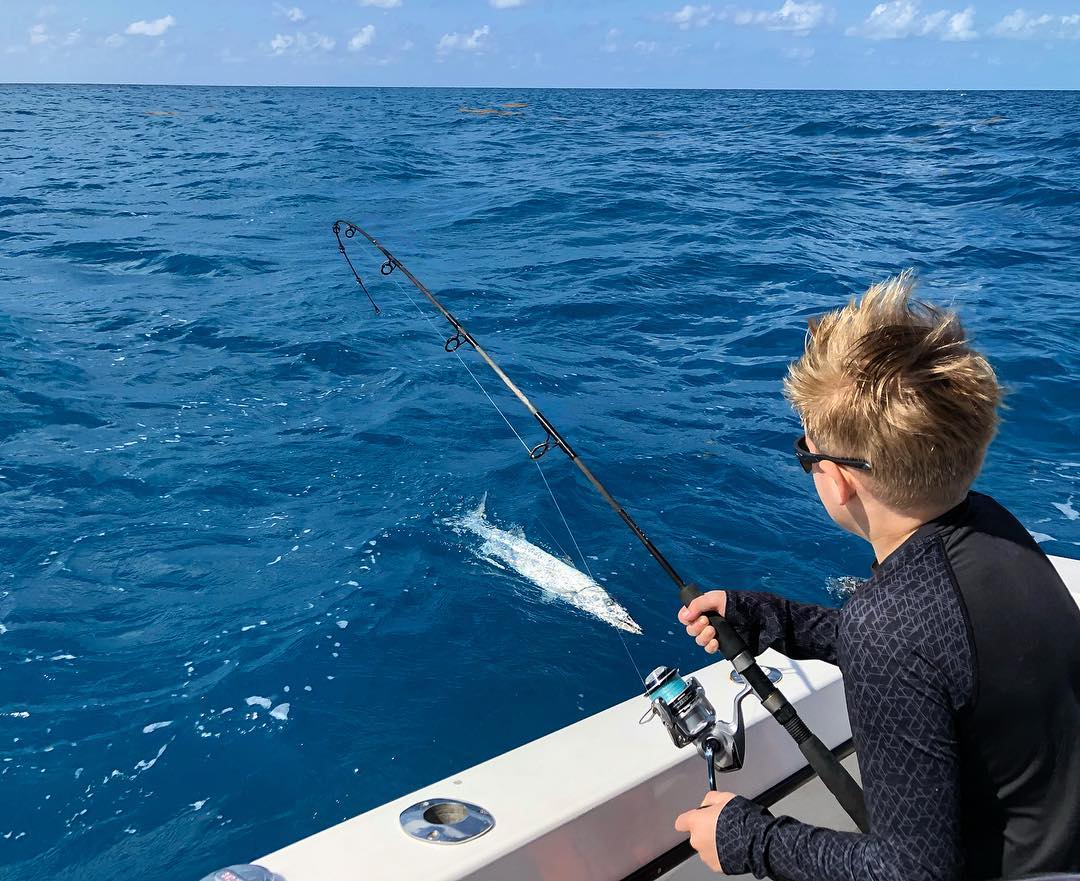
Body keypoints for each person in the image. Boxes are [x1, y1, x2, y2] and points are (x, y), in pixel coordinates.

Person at [674, 272, 1080, 880]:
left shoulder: (891, 624)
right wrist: (777, 621)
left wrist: (747, 839)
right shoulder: (992, 524)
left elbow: (910, 873)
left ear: (836, 478)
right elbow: (946, 655)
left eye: (804, 452)